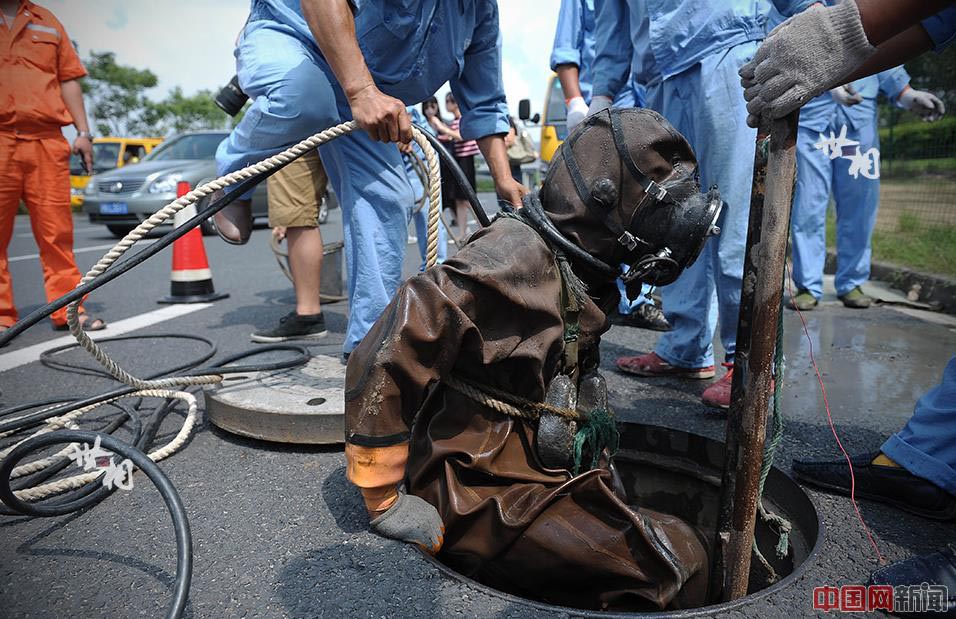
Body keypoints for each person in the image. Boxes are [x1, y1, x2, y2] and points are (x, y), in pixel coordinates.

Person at [344, 109, 723, 611]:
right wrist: (383, 497)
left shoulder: (583, 258)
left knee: (677, 538)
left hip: (536, 463)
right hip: (476, 485)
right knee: (671, 568)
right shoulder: (513, 258)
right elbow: (391, 345)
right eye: (658, 198)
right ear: (604, 198)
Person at [742, 2, 956, 609]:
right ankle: (930, 460)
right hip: (827, 106)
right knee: (809, 210)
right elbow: (929, 20)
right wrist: (830, 60)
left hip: (857, 110)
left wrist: (845, 34)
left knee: (856, 206)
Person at [213, 0, 527, 358]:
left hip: (364, 84)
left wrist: (503, 178)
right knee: (303, 97)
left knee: (390, 196)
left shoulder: (480, 10)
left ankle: (367, 347)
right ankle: (231, 179)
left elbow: (484, 100)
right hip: (298, 39)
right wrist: (361, 92)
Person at [591, 0, 815, 409]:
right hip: (660, 75)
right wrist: (601, 90)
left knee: (733, 212)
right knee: (671, 220)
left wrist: (810, 14)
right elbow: (615, 23)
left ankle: (747, 361)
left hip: (726, 50)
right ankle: (686, 345)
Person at [782, 2, 946, 311]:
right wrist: (830, 82)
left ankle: (853, 282)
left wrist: (907, 95)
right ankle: (808, 286)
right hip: (814, 122)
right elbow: (798, 41)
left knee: (860, 204)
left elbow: (887, 49)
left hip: (858, 123)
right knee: (808, 205)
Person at [551, 0, 670, 333]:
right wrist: (576, 102)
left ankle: (639, 297)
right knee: (597, 212)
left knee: (645, 207)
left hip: (640, 106)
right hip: (597, 115)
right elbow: (565, 53)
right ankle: (588, 295)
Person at [0, 0, 106, 333]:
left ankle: (68, 310)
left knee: (57, 234)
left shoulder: (47, 21)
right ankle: (2, 316)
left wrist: (84, 133)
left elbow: (68, 79)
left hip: (46, 140)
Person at [252, 149, 329, 343]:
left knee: (296, 213)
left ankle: (308, 314)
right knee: (368, 199)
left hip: (300, 124)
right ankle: (381, 319)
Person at [404, 105, 447, 271]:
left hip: (411, 138)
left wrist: (404, 133)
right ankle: (434, 266)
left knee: (427, 212)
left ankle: (434, 268)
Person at [444, 92, 480, 242]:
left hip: (466, 160)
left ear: (454, 103)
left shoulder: (462, 119)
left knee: (467, 198)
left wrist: (441, 127)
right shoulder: (454, 121)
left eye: (447, 102)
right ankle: (463, 232)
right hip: (459, 160)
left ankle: (483, 225)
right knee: (460, 199)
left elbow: (461, 136)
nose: (446, 105)